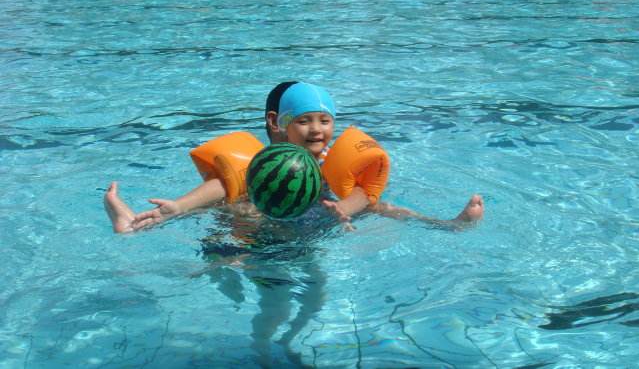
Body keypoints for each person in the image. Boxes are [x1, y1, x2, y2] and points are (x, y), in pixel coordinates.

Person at [105, 82, 484, 233]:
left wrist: (344, 210)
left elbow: (363, 193)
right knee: (236, 219)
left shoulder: (332, 160)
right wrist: (180, 205)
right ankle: (132, 224)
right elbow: (223, 183)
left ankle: (445, 224)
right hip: (255, 223)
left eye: (324, 121)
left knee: (382, 206)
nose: (316, 130)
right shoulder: (265, 162)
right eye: (303, 121)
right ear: (279, 125)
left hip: (314, 222)